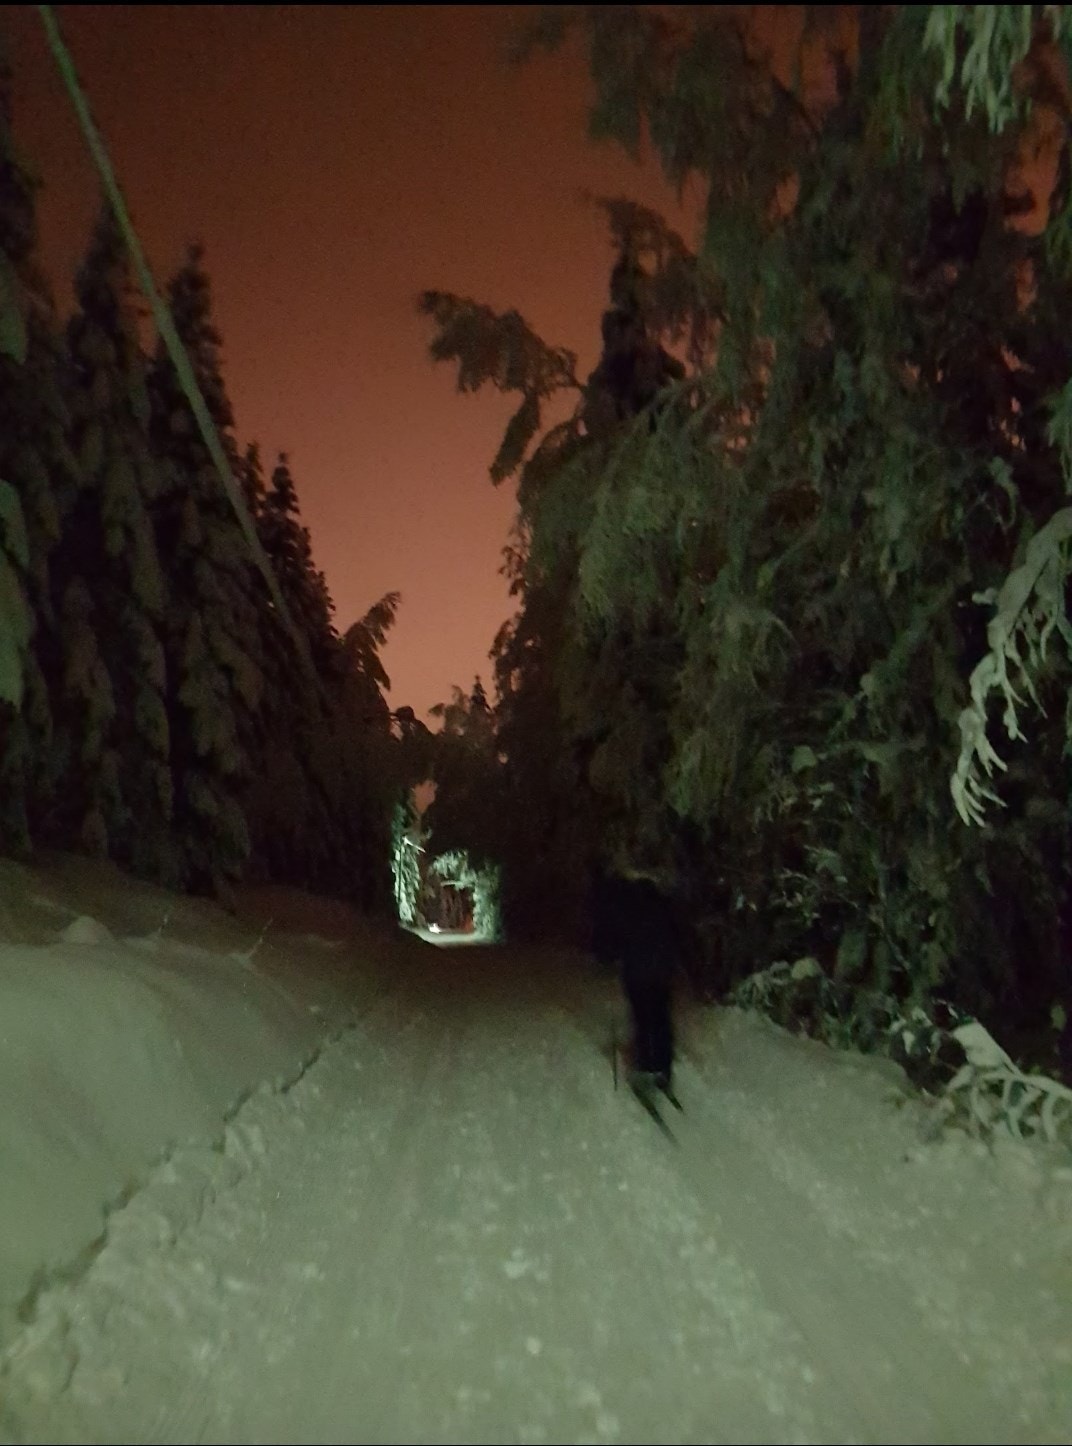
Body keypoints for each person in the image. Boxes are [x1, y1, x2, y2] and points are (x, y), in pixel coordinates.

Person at [590, 851, 683, 1102]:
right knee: (661, 1018)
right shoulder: (663, 904)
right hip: (662, 971)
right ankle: (663, 1069)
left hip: (637, 972)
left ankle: (644, 1068)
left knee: (643, 1019)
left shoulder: (627, 906)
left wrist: (607, 959)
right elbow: (677, 935)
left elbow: (614, 938)